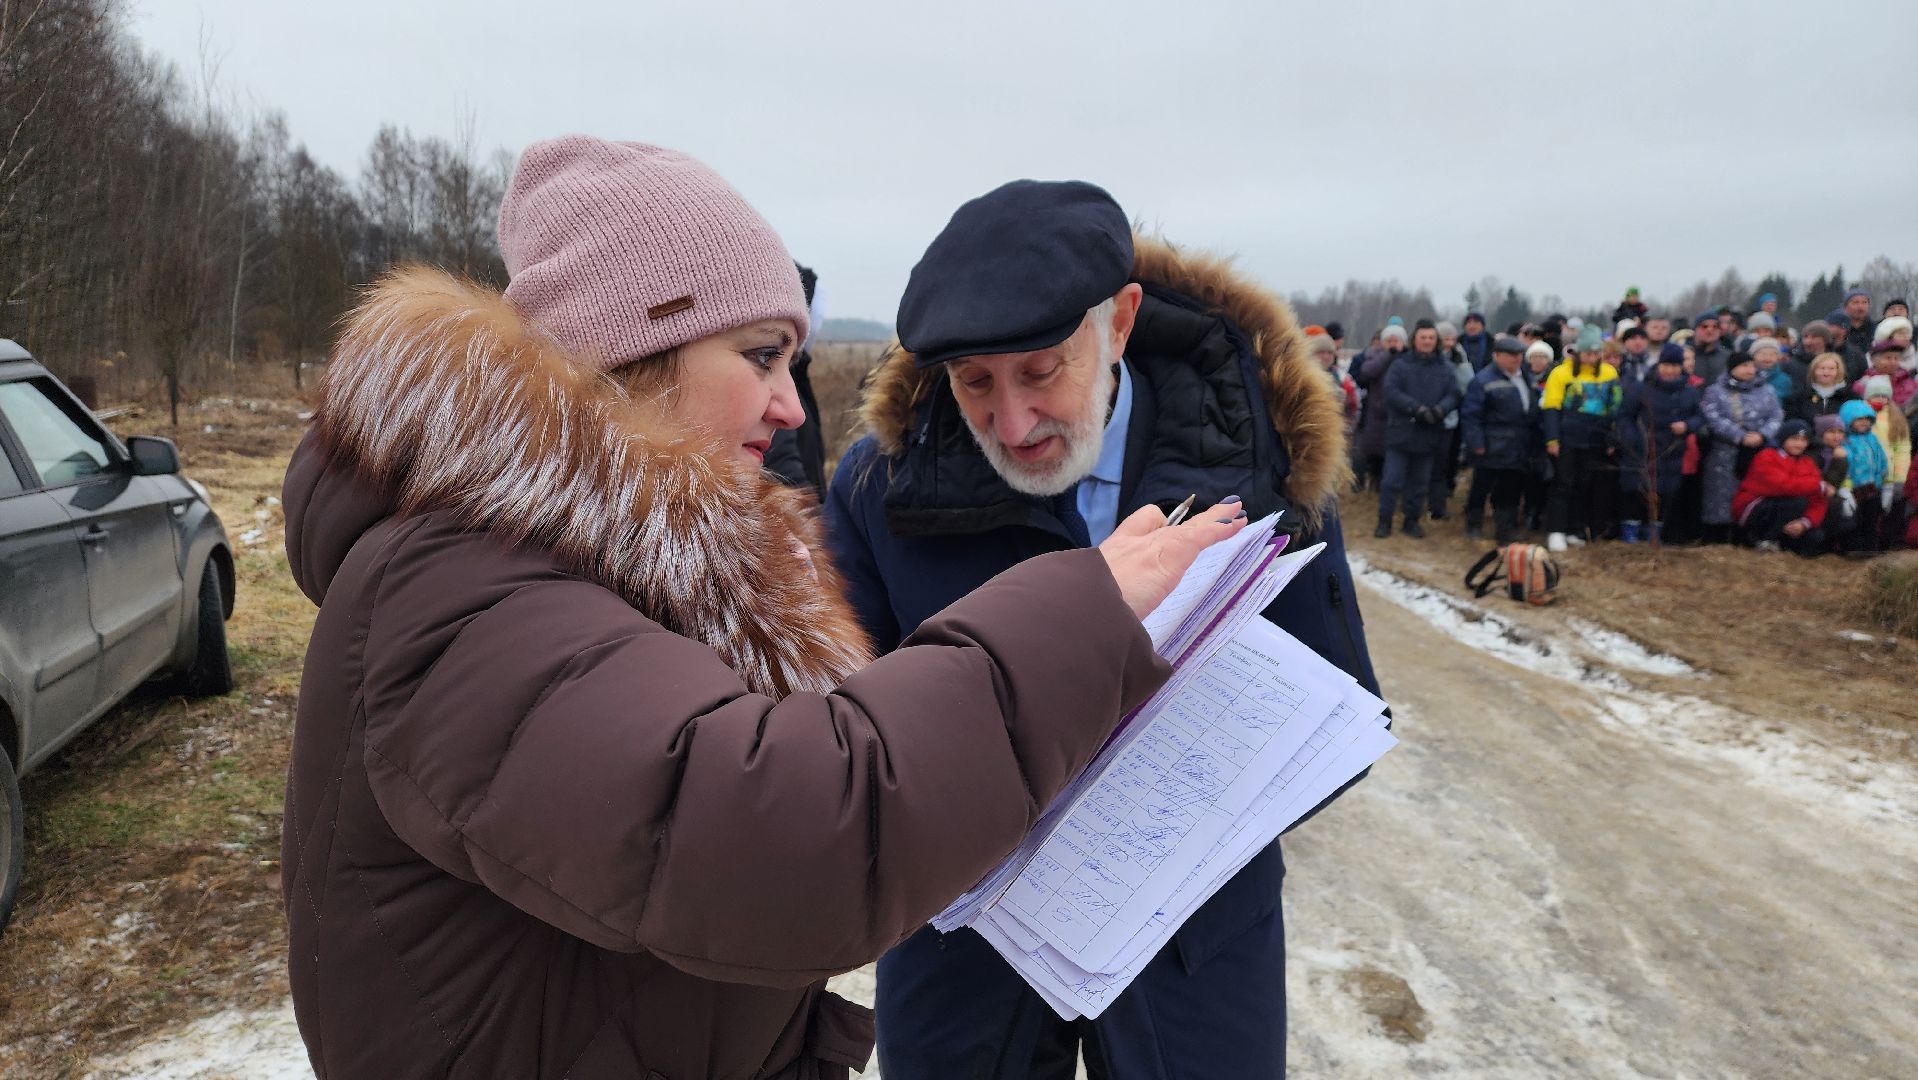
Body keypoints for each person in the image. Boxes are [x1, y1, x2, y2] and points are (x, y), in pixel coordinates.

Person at [277, 139, 1246, 1080]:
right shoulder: (457, 591)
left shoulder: (597, 565)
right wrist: (1082, 616)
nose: (791, 408)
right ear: (634, 350)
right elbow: (794, 835)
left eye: (794, 360)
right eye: (761, 355)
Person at [823, 178, 1380, 1080]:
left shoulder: (1255, 459)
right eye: (974, 384)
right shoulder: (886, 487)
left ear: (1119, 323)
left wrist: (1187, 817)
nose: (1013, 421)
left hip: (1193, 939)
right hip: (963, 946)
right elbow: (843, 733)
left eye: (1042, 372)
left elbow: (1342, 710)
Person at [1377, 320, 1463, 537]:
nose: (1427, 341)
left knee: (1419, 484)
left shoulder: (1445, 367)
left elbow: (1454, 393)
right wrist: (1416, 409)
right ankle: (1384, 521)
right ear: (1415, 339)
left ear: (1437, 341)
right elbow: (1392, 392)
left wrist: (1440, 410)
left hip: (1430, 433)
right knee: (1391, 481)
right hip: (1401, 433)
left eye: (1431, 338)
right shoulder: (1401, 364)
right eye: (1423, 337)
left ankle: (1411, 521)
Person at [1541, 323, 1622, 550]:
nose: (1592, 357)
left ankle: (1574, 528)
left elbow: (1613, 409)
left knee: (1584, 484)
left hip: (1595, 438)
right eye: (1588, 353)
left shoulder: (1609, 373)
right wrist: (1552, 439)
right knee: (1563, 483)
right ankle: (1556, 529)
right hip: (1568, 438)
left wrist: (1610, 439)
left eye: (1597, 353)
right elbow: (1551, 408)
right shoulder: (1561, 373)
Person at [1615, 344, 1704, 544]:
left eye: (1675, 365)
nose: (1670, 370)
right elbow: (1624, 416)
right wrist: (1632, 437)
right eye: (1666, 365)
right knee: (1635, 493)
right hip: (1641, 450)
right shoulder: (1641, 389)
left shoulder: (1689, 392)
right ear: (1659, 365)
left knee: (1664, 494)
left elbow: (1700, 417)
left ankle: (1653, 533)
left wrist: (1687, 425)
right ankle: (1630, 533)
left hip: (1672, 451)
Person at [1460, 334, 1540, 543]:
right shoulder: (1483, 380)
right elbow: (1471, 415)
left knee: (1510, 488)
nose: (1517, 359)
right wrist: (1476, 442)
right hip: (1491, 445)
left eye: (1519, 355)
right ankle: (1473, 524)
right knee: (1482, 486)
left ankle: (1505, 529)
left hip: (1518, 445)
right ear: (1497, 355)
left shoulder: (1525, 378)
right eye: (1511, 355)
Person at [1700, 350, 1785, 543]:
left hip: (1758, 450)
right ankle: (1717, 537)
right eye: (1743, 366)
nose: (1749, 370)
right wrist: (1739, 436)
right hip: (1725, 452)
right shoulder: (1716, 391)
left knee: (1752, 492)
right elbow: (1713, 417)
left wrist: (1762, 435)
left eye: (1751, 365)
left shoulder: (1767, 390)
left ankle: (1747, 533)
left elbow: (1776, 415)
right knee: (1721, 496)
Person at [762, 262, 829, 498]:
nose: (794, 413)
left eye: (791, 361)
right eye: (762, 357)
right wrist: (814, 528)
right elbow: (785, 473)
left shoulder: (795, 381)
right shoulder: (769, 400)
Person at [1733, 419, 1827, 555]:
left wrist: (1804, 523)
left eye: (1803, 440)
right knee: (1797, 501)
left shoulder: (1808, 463)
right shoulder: (1767, 456)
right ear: (1783, 439)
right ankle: (1764, 540)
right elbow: (1781, 486)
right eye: (1794, 439)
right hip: (1755, 508)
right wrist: (1818, 485)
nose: (1799, 444)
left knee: (1815, 537)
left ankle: (1780, 541)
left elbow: (1818, 499)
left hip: (1788, 514)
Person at [1860, 375, 1913, 544]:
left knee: (1892, 510)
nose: (1881, 399)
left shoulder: (1896, 418)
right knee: (1868, 512)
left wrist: (1900, 477)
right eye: (1876, 395)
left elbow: (1903, 450)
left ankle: (1889, 544)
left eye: (1885, 396)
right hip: (1865, 475)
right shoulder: (1860, 415)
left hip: (1889, 475)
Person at [1356, 323, 1409, 491]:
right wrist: (1386, 356)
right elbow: (1366, 373)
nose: (1393, 344)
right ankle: (1375, 481)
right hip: (1376, 412)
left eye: (1397, 340)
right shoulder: (1376, 357)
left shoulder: (1408, 359)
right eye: (1389, 340)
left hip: (1400, 412)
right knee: (1375, 450)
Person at [1839, 398, 1891, 554]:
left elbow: (1882, 460)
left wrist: (1886, 482)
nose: (1864, 423)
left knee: (1872, 518)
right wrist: (1845, 489)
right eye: (1859, 419)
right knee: (1855, 519)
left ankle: (1870, 549)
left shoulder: (1873, 439)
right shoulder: (1846, 442)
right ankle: (1853, 548)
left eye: (1867, 419)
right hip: (1855, 487)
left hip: (1873, 486)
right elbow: (1845, 466)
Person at [1786, 352, 1860, 425]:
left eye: (1831, 369)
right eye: (1821, 368)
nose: (1826, 372)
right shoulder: (1800, 395)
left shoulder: (1850, 397)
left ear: (1838, 371)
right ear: (1813, 370)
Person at [1309, 329, 1360, 432]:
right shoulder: (1304, 376)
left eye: (1330, 353)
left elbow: (1354, 405)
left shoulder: (1341, 377)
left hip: (1335, 432)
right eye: (1321, 352)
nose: (1326, 356)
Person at [1855, 340, 1917, 410]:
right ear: (1873, 360)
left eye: (1896, 358)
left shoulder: (1909, 382)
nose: (1893, 362)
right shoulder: (1863, 384)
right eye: (1888, 358)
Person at [1691, 312, 1735, 385]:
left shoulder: (1729, 357)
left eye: (1715, 327)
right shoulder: (1685, 356)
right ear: (1695, 330)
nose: (1710, 330)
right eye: (1704, 326)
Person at [1841, 287, 1877, 375]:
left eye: (1864, 302)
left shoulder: (1877, 329)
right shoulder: (1839, 330)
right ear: (1845, 307)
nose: (1860, 307)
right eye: (1855, 302)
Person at [1751, 338, 1794, 402]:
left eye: (1772, 354)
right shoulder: (1748, 376)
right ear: (1753, 356)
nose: (1767, 358)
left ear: (1778, 357)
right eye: (1762, 354)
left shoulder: (1784, 380)